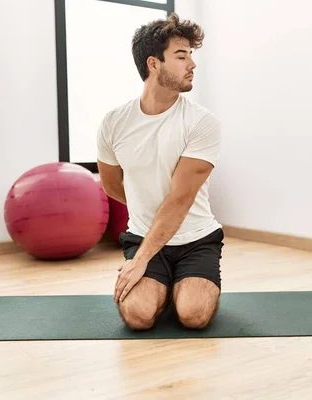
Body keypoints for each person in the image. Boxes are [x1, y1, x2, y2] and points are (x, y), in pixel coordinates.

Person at [96, 13, 223, 331]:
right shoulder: (114, 123)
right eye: (182, 56)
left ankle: (179, 287)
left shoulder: (201, 122)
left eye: (191, 55)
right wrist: (146, 217)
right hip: (143, 237)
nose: (192, 65)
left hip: (196, 239)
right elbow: (112, 184)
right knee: (139, 317)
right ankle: (161, 288)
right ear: (154, 64)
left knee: (194, 315)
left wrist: (139, 261)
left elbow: (180, 199)